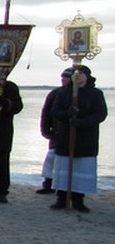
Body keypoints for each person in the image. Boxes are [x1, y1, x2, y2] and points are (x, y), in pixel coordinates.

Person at [50, 65, 107, 212]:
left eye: (81, 73)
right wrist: (67, 113)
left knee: (80, 168)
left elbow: (100, 114)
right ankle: (61, 198)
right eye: (75, 73)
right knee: (64, 167)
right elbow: (55, 112)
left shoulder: (95, 94)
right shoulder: (63, 93)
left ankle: (78, 199)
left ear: (87, 76)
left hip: (86, 138)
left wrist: (82, 122)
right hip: (65, 136)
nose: (78, 76)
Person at [36, 68, 73, 195]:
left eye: (66, 78)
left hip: (73, 133)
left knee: (69, 160)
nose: (64, 80)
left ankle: (66, 186)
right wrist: (45, 130)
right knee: (52, 158)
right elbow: (46, 113)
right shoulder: (55, 93)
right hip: (56, 132)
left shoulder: (78, 94)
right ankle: (48, 184)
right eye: (62, 78)